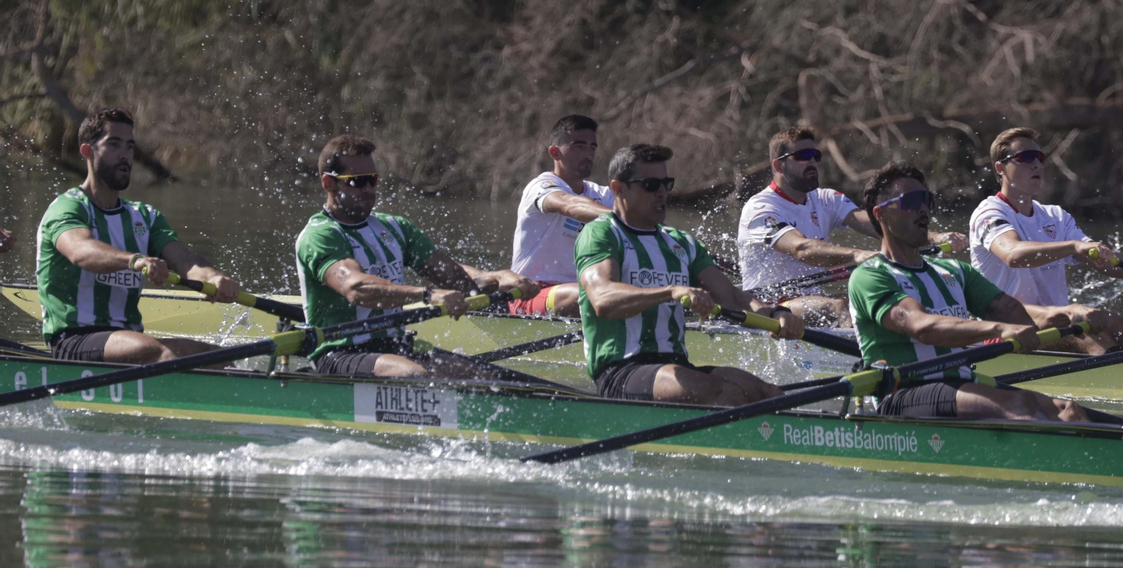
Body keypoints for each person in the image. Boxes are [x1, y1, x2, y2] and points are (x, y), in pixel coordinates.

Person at [849, 161, 1090, 422]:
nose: (922, 210)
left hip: (963, 382)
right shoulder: (871, 276)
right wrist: (997, 329)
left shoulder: (955, 271)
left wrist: (1070, 317)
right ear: (880, 214)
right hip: (904, 392)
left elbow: (1015, 316)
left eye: (925, 200)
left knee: (1068, 411)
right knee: (1021, 407)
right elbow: (922, 327)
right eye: (910, 201)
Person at [577, 144, 807, 405]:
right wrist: (672, 291)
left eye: (666, 184)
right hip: (621, 371)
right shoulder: (602, 233)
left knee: (770, 395)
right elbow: (603, 299)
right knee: (724, 394)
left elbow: (731, 296)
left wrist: (776, 314)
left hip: (675, 365)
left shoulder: (681, 242)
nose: (662, 193)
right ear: (618, 188)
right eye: (651, 185)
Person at [295, 134, 537, 377]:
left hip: (396, 347)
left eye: (372, 180)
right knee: (417, 375)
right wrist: (427, 295)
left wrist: (497, 279)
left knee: (491, 377)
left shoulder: (394, 227)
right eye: (357, 182)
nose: (368, 189)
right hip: (339, 354)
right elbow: (356, 288)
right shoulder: (321, 235)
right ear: (328, 183)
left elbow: (453, 277)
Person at [35, 108, 241, 363]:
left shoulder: (145, 216)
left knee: (218, 357)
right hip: (74, 339)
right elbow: (80, 251)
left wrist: (215, 278)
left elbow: (185, 261)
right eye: (114, 144)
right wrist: (135, 260)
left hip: (128, 340)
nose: (125, 155)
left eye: (130, 146)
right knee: (176, 353)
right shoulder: (68, 207)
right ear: (88, 152)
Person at [970, 127, 1123, 354]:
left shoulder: (1055, 216)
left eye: (1039, 157)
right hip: (1004, 330)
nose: (1037, 164)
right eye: (1026, 158)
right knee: (1090, 337)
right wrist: (1073, 246)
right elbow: (1012, 254)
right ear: (1000, 168)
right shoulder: (990, 213)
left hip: (1054, 321)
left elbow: (1102, 259)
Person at [737, 127, 967, 324]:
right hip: (767, 306)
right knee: (840, 306)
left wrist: (935, 237)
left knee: (879, 295)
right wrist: (855, 254)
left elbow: (881, 223)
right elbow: (801, 249)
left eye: (816, 155)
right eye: (803, 156)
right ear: (779, 165)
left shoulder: (826, 198)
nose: (813, 162)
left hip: (809, 300)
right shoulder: (761, 208)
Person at [508, 114, 613, 318]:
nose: (588, 154)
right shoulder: (540, 187)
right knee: (590, 293)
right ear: (555, 152)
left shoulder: (603, 195)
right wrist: (622, 220)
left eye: (592, 147)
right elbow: (569, 204)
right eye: (579, 146)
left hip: (582, 290)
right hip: (529, 294)